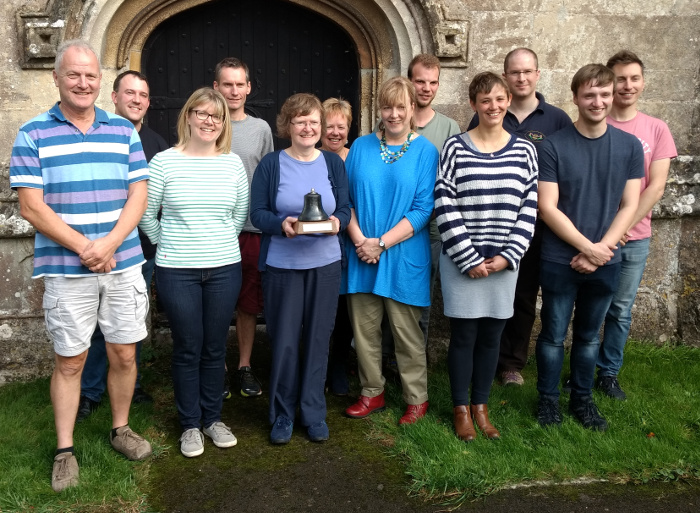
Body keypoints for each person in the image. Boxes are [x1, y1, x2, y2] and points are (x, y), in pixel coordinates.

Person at [9, 40, 152, 492]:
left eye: (91, 76)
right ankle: (65, 449)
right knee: (70, 361)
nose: (83, 83)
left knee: (124, 352)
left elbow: (139, 195)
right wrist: (85, 248)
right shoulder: (32, 133)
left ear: (99, 81)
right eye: (74, 75)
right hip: (68, 270)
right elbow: (32, 207)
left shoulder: (124, 132)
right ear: (56, 78)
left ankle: (120, 428)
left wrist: (108, 243)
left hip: (124, 262)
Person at [139, 87, 249, 457]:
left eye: (216, 116)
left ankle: (213, 419)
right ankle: (189, 424)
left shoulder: (232, 164)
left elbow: (237, 216)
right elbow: (145, 214)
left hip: (223, 270)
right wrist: (169, 243)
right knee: (188, 347)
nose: (209, 121)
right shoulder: (164, 163)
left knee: (216, 346)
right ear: (187, 116)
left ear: (223, 124)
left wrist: (214, 244)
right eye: (201, 113)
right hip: (177, 271)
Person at [535, 64, 644, 431]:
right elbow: (547, 206)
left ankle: (583, 400)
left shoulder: (628, 146)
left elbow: (630, 204)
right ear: (576, 98)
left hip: (606, 258)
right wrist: (588, 248)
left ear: (612, 97)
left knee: (586, 337)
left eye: (604, 94)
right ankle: (548, 401)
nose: (597, 102)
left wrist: (603, 249)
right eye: (589, 95)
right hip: (559, 258)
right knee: (552, 336)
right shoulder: (553, 146)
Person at [435, 72, 538, 441]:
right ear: (473, 104)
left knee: (493, 336)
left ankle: (482, 406)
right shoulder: (456, 148)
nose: (493, 107)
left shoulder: (525, 150)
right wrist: (468, 257)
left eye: (499, 99)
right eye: (485, 101)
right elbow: (444, 203)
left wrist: (508, 255)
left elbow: (529, 207)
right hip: (464, 260)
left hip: (503, 263)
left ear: (508, 100)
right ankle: (461, 409)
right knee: (464, 336)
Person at [469, 47, 572, 387]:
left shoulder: (557, 120)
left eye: (528, 71)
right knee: (486, 292)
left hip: (535, 227)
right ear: (506, 76)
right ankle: (485, 357)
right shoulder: (489, 112)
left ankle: (511, 363)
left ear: (538, 74)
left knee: (523, 294)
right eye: (515, 72)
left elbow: (568, 172)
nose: (522, 77)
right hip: (487, 226)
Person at [250, 93, 350, 445]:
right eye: (300, 121)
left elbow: (346, 208)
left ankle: (313, 411)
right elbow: (257, 213)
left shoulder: (333, 164)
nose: (307, 128)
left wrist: (339, 221)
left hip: (325, 265)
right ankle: (281, 413)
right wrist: (283, 224)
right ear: (287, 126)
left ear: (320, 127)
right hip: (282, 266)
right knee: (286, 342)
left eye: (314, 122)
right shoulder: (271, 164)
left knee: (318, 339)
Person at [343, 77, 438, 425]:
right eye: (387, 107)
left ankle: (416, 398)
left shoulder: (426, 151)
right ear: (379, 110)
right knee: (365, 332)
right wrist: (360, 241)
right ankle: (372, 392)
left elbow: (423, 208)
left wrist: (380, 243)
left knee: (407, 334)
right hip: (361, 253)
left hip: (402, 255)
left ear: (413, 109)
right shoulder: (361, 147)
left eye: (401, 107)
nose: (394, 114)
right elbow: (345, 201)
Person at [77, 70, 169, 421]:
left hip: (137, 252)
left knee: (130, 325)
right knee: (95, 327)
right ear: (113, 97)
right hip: (91, 249)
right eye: (129, 93)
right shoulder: (97, 137)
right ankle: (91, 390)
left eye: (142, 95)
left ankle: (133, 384)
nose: (136, 99)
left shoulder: (158, 145)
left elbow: (158, 201)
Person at [596, 51, 677, 400]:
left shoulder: (656, 129)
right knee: (590, 306)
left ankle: (608, 372)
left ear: (642, 82)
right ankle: (583, 370)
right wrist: (608, 229)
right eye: (620, 79)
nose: (627, 86)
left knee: (619, 308)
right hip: (595, 233)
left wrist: (624, 225)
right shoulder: (596, 121)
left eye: (634, 78)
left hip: (634, 237)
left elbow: (655, 185)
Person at [213, 57, 274, 399]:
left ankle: (244, 366)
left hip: (251, 228)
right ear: (216, 87)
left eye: (240, 84)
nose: (234, 91)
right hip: (215, 229)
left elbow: (267, 178)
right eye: (227, 84)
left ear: (248, 88)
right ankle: (217, 366)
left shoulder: (261, 129)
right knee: (217, 302)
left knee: (248, 303)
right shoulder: (207, 124)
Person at [408, 54, 461, 346]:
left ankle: (418, 361)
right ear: (409, 81)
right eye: (420, 81)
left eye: (433, 82)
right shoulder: (392, 119)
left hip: (432, 231)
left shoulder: (450, 128)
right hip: (396, 227)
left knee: (422, 300)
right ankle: (387, 357)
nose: (426, 88)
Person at [321, 97, 355, 396]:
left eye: (340, 126)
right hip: (318, 245)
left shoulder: (357, 156)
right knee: (321, 311)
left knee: (346, 310)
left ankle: (339, 367)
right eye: (329, 126)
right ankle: (317, 367)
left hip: (351, 242)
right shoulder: (310, 157)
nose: (335, 132)